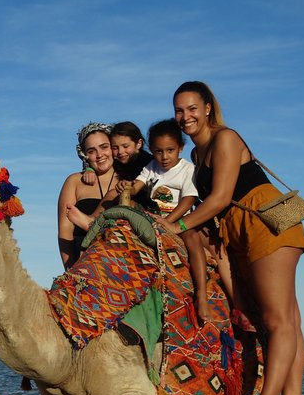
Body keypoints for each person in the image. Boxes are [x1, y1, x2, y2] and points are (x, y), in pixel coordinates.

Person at [158, 80, 304, 395]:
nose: (185, 117)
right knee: (289, 321)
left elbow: (220, 198)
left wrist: (175, 225)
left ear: (208, 107)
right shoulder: (197, 153)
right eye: (179, 111)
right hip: (238, 230)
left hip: (265, 223)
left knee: (277, 321)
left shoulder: (226, 138)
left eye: (192, 108)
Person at [116, 119, 215, 321]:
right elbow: (137, 186)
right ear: (152, 150)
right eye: (159, 151)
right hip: (155, 218)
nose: (164, 156)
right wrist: (127, 187)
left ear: (180, 148)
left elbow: (188, 200)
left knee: (193, 241)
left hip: (180, 220)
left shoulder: (186, 170)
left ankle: (201, 295)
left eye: (170, 150)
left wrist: (170, 223)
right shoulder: (151, 167)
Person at [57, 122, 118, 270]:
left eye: (104, 147)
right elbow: (65, 229)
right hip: (84, 261)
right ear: (84, 154)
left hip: (121, 259)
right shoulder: (74, 181)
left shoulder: (131, 180)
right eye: (91, 151)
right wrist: (70, 269)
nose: (99, 155)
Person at [82, 121, 155, 210]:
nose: (120, 152)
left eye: (125, 146)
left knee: (113, 194)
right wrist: (89, 169)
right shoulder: (119, 163)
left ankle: (91, 219)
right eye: (115, 148)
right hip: (130, 209)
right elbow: (99, 162)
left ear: (139, 144)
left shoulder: (150, 163)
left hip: (150, 209)